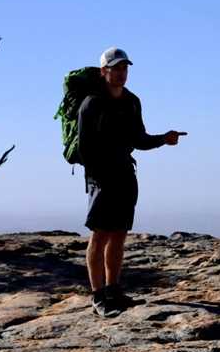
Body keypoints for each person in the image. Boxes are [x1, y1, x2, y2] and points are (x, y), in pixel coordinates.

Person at [77, 47, 187, 317]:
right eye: (116, 68)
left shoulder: (132, 101)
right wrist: (101, 176)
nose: (121, 73)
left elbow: (139, 139)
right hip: (102, 178)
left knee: (119, 234)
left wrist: (164, 138)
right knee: (100, 234)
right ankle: (98, 296)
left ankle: (114, 290)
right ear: (104, 71)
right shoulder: (91, 103)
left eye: (124, 68)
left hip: (125, 174)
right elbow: (84, 149)